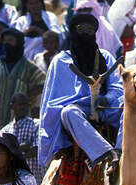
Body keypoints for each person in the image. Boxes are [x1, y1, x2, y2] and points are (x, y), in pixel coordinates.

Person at [39, 13, 123, 167]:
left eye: (90, 30)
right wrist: (86, 100)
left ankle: (120, 150)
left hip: (105, 107)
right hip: (80, 111)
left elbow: (117, 88)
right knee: (68, 112)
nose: (86, 33)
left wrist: (107, 98)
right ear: (72, 32)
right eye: (81, 29)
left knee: (129, 107)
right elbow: (53, 102)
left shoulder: (106, 57)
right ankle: (104, 153)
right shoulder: (61, 61)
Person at [0, 28, 46, 125]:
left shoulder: (28, 66)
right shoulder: (0, 64)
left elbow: (43, 83)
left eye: (10, 41)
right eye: (5, 41)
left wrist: (28, 96)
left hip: (22, 118)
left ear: (18, 43)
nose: (7, 44)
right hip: (1, 114)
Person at [0, 93, 46, 185]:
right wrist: (22, 149)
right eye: (20, 104)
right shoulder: (5, 131)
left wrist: (13, 154)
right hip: (13, 182)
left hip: (36, 180)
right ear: (12, 106)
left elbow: (37, 150)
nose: (23, 107)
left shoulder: (36, 125)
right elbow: (2, 155)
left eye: (25, 104)